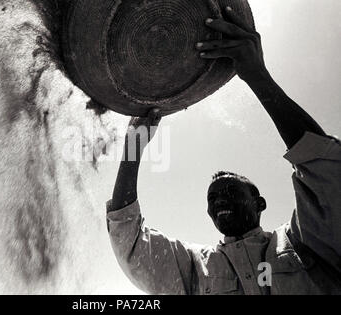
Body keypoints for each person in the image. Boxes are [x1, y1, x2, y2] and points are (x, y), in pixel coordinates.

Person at [106, 6, 341, 295]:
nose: (219, 201)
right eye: (213, 197)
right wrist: (133, 149)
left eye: (231, 191)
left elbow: (327, 170)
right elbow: (127, 239)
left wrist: (258, 76)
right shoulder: (194, 267)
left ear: (260, 203)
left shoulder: (304, 242)